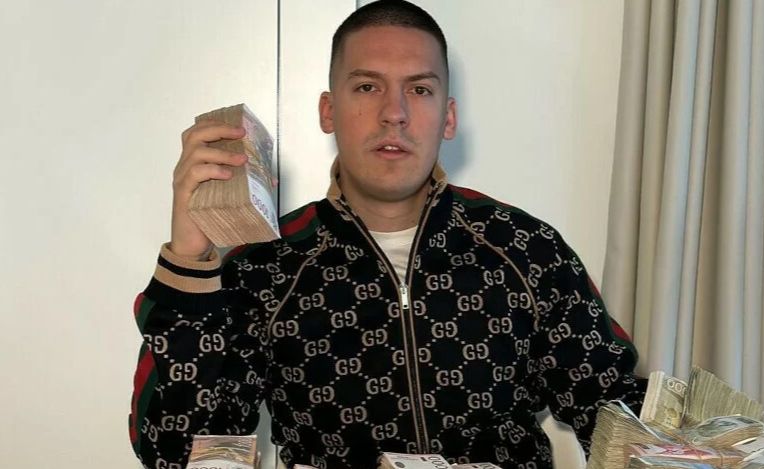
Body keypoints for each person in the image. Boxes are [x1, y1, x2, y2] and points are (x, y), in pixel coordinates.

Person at [129, 1, 647, 468]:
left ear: (448, 117)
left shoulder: (526, 248)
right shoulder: (265, 265)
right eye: (367, 87)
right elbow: (178, 450)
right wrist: (190, 260)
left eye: (419, 89)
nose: (394, 113)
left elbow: (616, 412)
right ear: (328, 111)